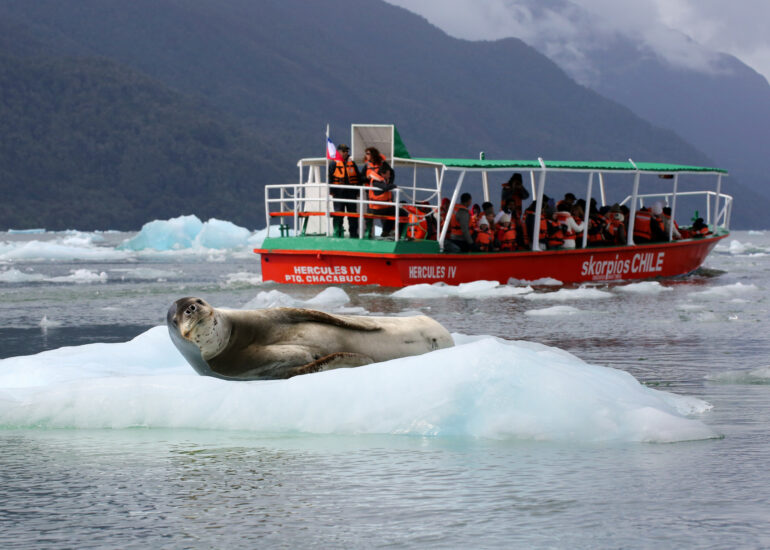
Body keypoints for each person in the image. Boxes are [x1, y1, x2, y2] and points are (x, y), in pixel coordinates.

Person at [328, 143, 362, 237]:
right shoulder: (333, 163)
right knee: (339, 214)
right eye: (344, 151)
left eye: (347, 151)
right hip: (339, 193)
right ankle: (337, 233)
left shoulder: (352, 163)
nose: (346, 152)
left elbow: (358, 177)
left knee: (352, 215)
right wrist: (331, 191)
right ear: (338, 152)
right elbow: (330, 179)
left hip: (351, 193)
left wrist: (358, 191)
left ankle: (354, 234)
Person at [363, 147, 397, 238]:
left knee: (387, 210)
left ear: (373, 154)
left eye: (368, 153)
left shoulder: (383, 164)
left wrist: (389, 184)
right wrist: (368, 179)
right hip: (371, 192)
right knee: (370, 212)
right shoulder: (367, 166)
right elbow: (361, 177)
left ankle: (386, 231)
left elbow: (391, 173)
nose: (366, 155)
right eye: (366, 153)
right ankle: (369, 231)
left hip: (384, 191)